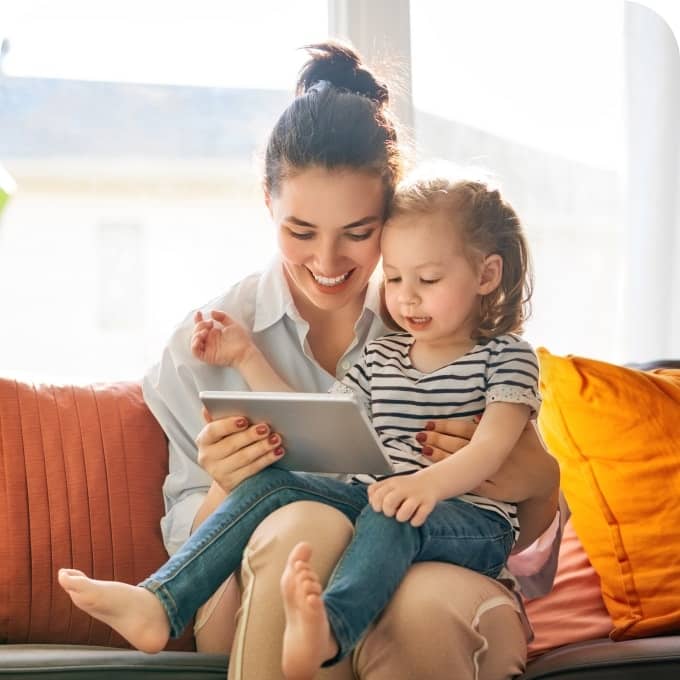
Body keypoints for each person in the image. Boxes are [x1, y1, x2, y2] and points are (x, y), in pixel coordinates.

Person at [58, 41, 561, 679]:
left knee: (423, 602)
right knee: (304, 522)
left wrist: (540, 482)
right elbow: (202, 537)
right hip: (247, 584)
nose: (328, 264)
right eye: (300, 233)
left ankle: (332, 627)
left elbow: (533, 558)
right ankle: (173, 605)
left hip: (437, 556)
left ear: (394, 214)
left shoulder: (447, 320)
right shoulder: (208, 342)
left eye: (358, 233)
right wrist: (225, 480)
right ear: (267, 204)